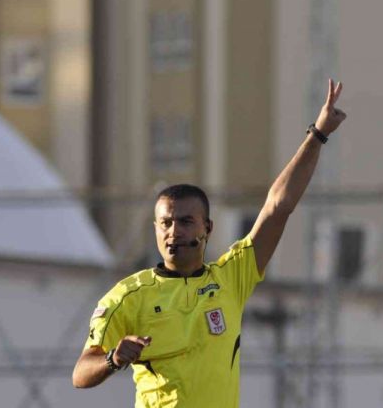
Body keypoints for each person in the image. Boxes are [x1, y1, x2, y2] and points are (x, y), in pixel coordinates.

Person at [72, 79, 348, 407]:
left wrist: (318, 134)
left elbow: (277, 206)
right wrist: (113, 359)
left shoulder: (231, 278)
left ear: (208, 228)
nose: (174, 231)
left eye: (186, 222)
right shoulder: (129, 296)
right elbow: (80, 373)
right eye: (166, 223)